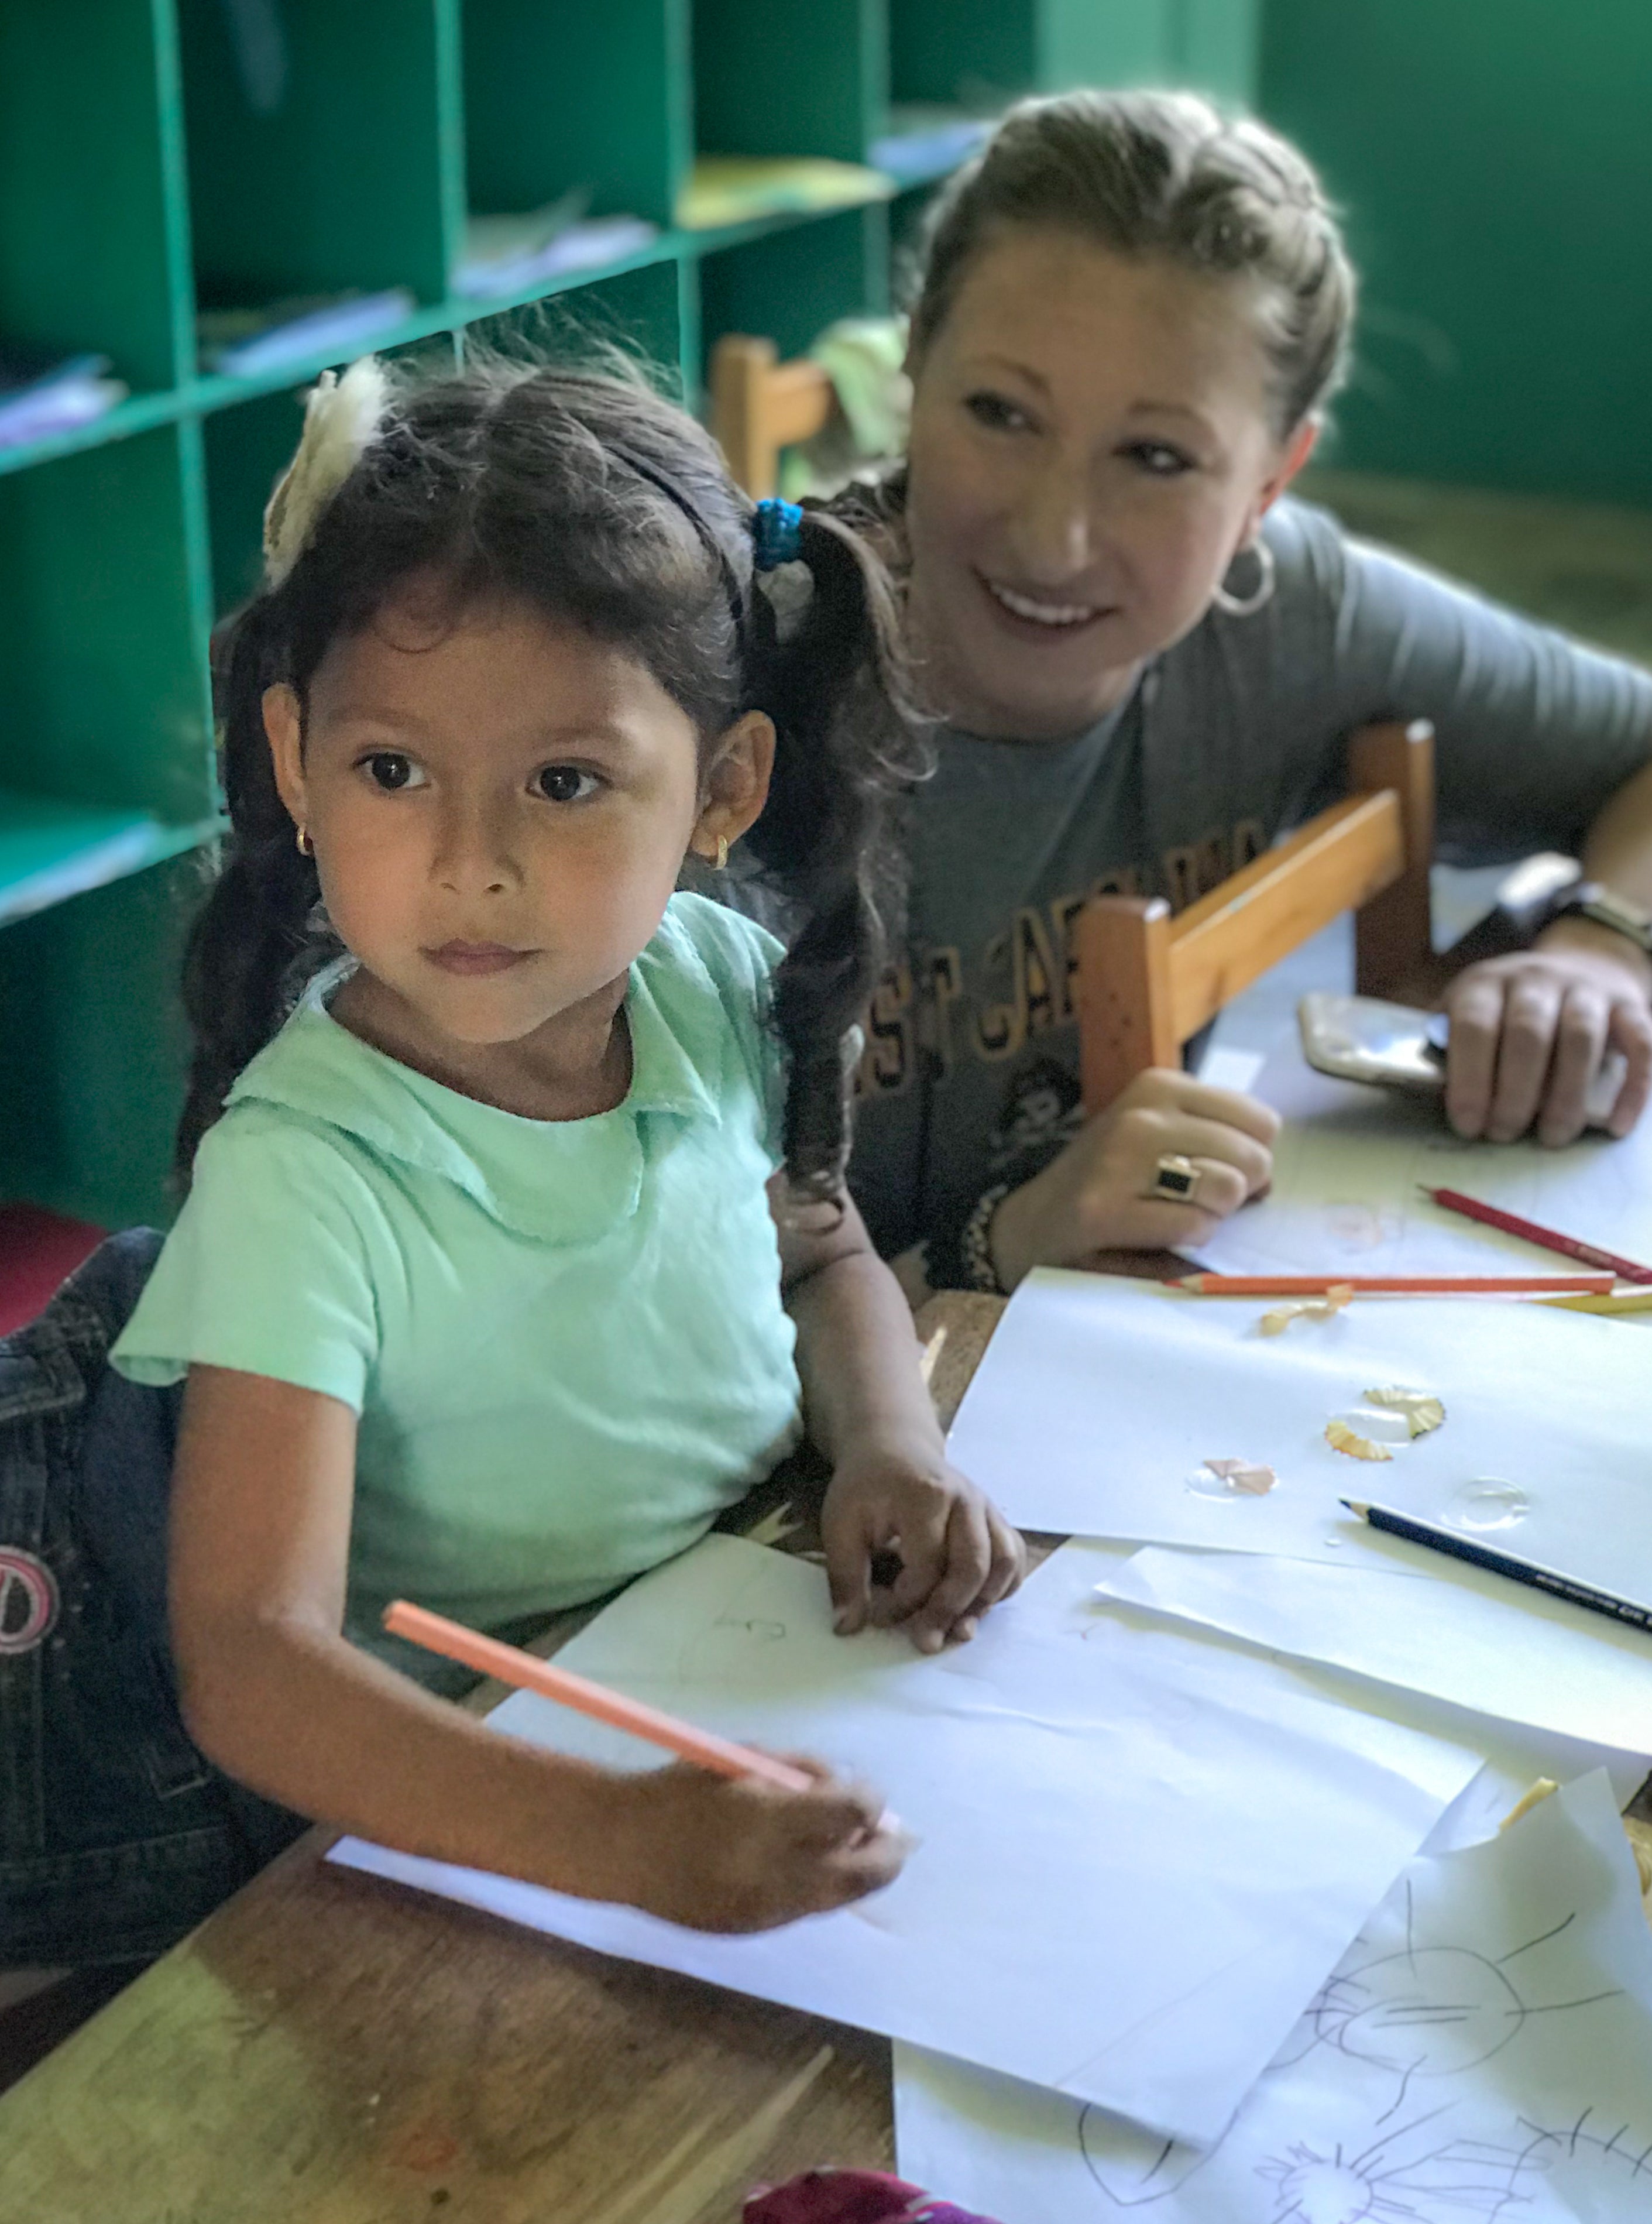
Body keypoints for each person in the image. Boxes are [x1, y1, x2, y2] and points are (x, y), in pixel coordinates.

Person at [0, 356, 1024, 1971]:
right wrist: (621, 1840)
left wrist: (890, 1441)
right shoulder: (308, 1173)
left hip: (742, 1637)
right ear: (295, 759)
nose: (470, 866)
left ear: (724, 787)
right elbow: (254, 1660)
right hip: (463, 1815)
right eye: (393, 771)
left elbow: (817, 1252)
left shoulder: (708, 985)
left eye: (565, 782)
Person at [833, 89, 1652, 1295]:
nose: (1053, 538)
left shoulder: (1280, 614)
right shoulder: (706, 685)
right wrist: (996, 1243)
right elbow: (605, 1357)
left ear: (1270, 483)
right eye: (998, 413)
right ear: (911, 369)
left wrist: (1608, 945)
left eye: (1156, 457)